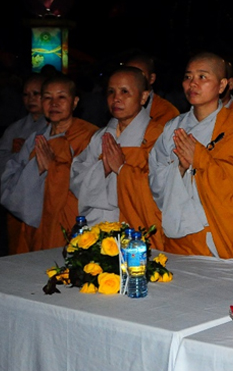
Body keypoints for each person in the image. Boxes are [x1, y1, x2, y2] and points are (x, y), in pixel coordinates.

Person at [149, 52, 233, 258]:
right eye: (188, 77)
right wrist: (179, 168)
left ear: (222, 85)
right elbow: (155, 178)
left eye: (202, 77)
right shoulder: (173, 127)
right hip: (175, 236)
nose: (192, 84)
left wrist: (200, 159)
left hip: (216, 235)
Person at [70, 67, 168, 249]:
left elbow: (164, 189)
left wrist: (122, 170)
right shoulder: (100, 137)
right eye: (111, 92)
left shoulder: (157, 137)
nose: (116, 98)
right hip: (97, 229)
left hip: (135, 231)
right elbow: (76, 178)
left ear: (144, 97)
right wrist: (103, 169)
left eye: (125, 92)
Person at [1, 75, 99, 251]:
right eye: (47, 97)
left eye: (61, 97)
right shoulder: (36, 139)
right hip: (34, 222)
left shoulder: (90, 136)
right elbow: (10, 176)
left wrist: (53, 168)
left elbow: (94, 184)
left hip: (70, 224)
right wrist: (34, 170)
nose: (54, 103)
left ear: (75, 102)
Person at [0, 74, 48, 254]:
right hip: (17, 195)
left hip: (44, 198)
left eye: (36, 94)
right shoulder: (16, 128)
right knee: (18, 246)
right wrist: (17, 159)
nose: (30, 99)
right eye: (26, 94)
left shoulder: (55, 125)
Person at [124, 53, 180, 131]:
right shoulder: (118, 104)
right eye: (128, 76)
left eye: (139, 76)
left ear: (152, 78)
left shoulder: (167, 112)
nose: (132, 81)